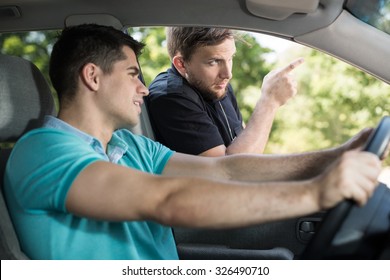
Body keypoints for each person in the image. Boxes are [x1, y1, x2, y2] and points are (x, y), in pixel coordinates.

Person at [4, 24, 382, 260]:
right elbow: (166, 201)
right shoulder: (42, 152)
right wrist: (316, 193)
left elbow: (227, 170)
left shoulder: (130, 146)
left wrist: (340, 154)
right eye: (133, 74)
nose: (143, 88)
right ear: (93, 76)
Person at [147, 27, 303, 156]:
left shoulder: (217, 86)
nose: (228, 74)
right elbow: (231, 172)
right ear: (181, 64)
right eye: (214, 61)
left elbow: (244, 145)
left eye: (230, 58)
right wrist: (269, 101)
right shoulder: (172, 97)